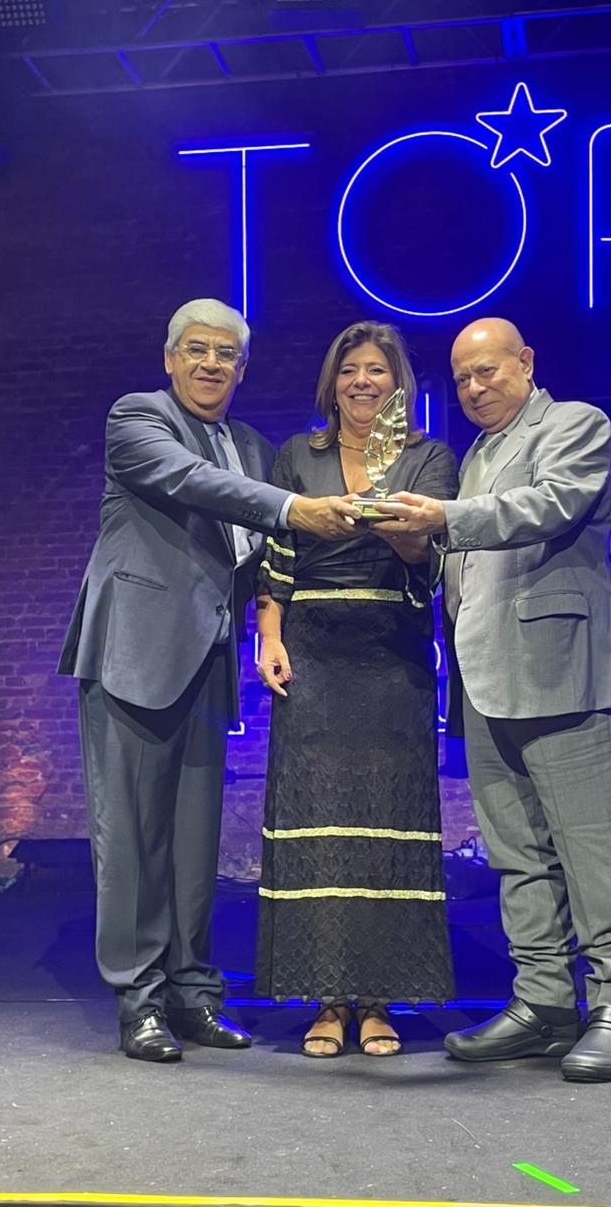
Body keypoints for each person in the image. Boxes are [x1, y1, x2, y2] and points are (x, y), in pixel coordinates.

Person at [58, 299, 360, 1063]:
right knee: (133, 839)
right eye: (196, 349)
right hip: (134, 654)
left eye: (226, 354)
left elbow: (260, 556)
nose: (210, 364)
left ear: (242, 368)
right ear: (170, 358)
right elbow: (194, 483)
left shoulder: (252, 446)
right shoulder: (138, 419)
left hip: (207, 660)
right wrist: (296, 507)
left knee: (195, 848)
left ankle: (192, 995)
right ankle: (139, 1000)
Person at [372, 317, 611, 1083]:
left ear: (525, 362)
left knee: (592, 851)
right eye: (462, 378)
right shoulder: (476, 456)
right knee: (517, 859)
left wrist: (444, 518)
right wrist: (417, 545)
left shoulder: (573, 426)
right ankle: (544, 1004)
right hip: (485, 681)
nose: (473, 388)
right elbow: (461, 566)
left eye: (487, 371)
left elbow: (551, 505)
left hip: (563, 675)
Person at [254, 320, 459, 1057]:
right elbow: (275, 554)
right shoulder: (296, 457)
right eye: (350, 370)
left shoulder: (428, 458)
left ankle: (376, 1001)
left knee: (384, 829)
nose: (363, 381)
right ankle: (326, 999)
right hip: (312, 656)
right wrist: (269, 636)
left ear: (397, 382)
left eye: (377, 369)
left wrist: (382, 514)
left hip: (392, 656)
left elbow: (430, 554)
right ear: (332, 383)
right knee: (320, 828)